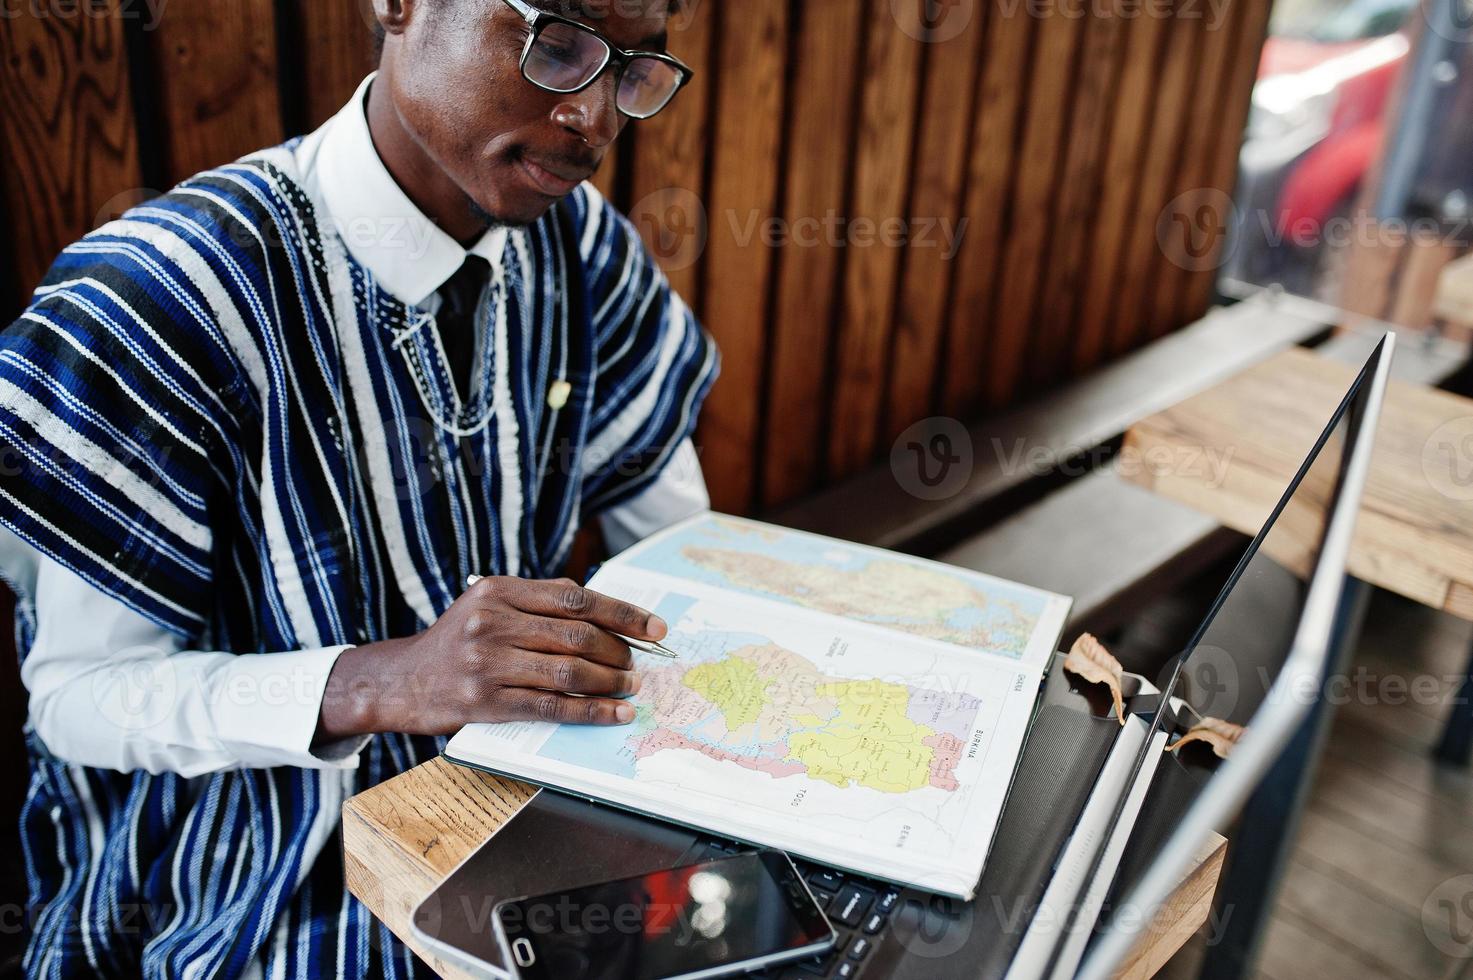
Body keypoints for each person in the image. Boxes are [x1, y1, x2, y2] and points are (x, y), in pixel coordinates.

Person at [0, 0, 716, 975]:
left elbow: (684, 557)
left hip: (514, 807)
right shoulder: (167, 295)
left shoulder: (581, 251)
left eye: (633, 73)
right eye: (557, 46)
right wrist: (377, 679)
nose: (595, 119)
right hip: (253, 868)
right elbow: (75, 697)